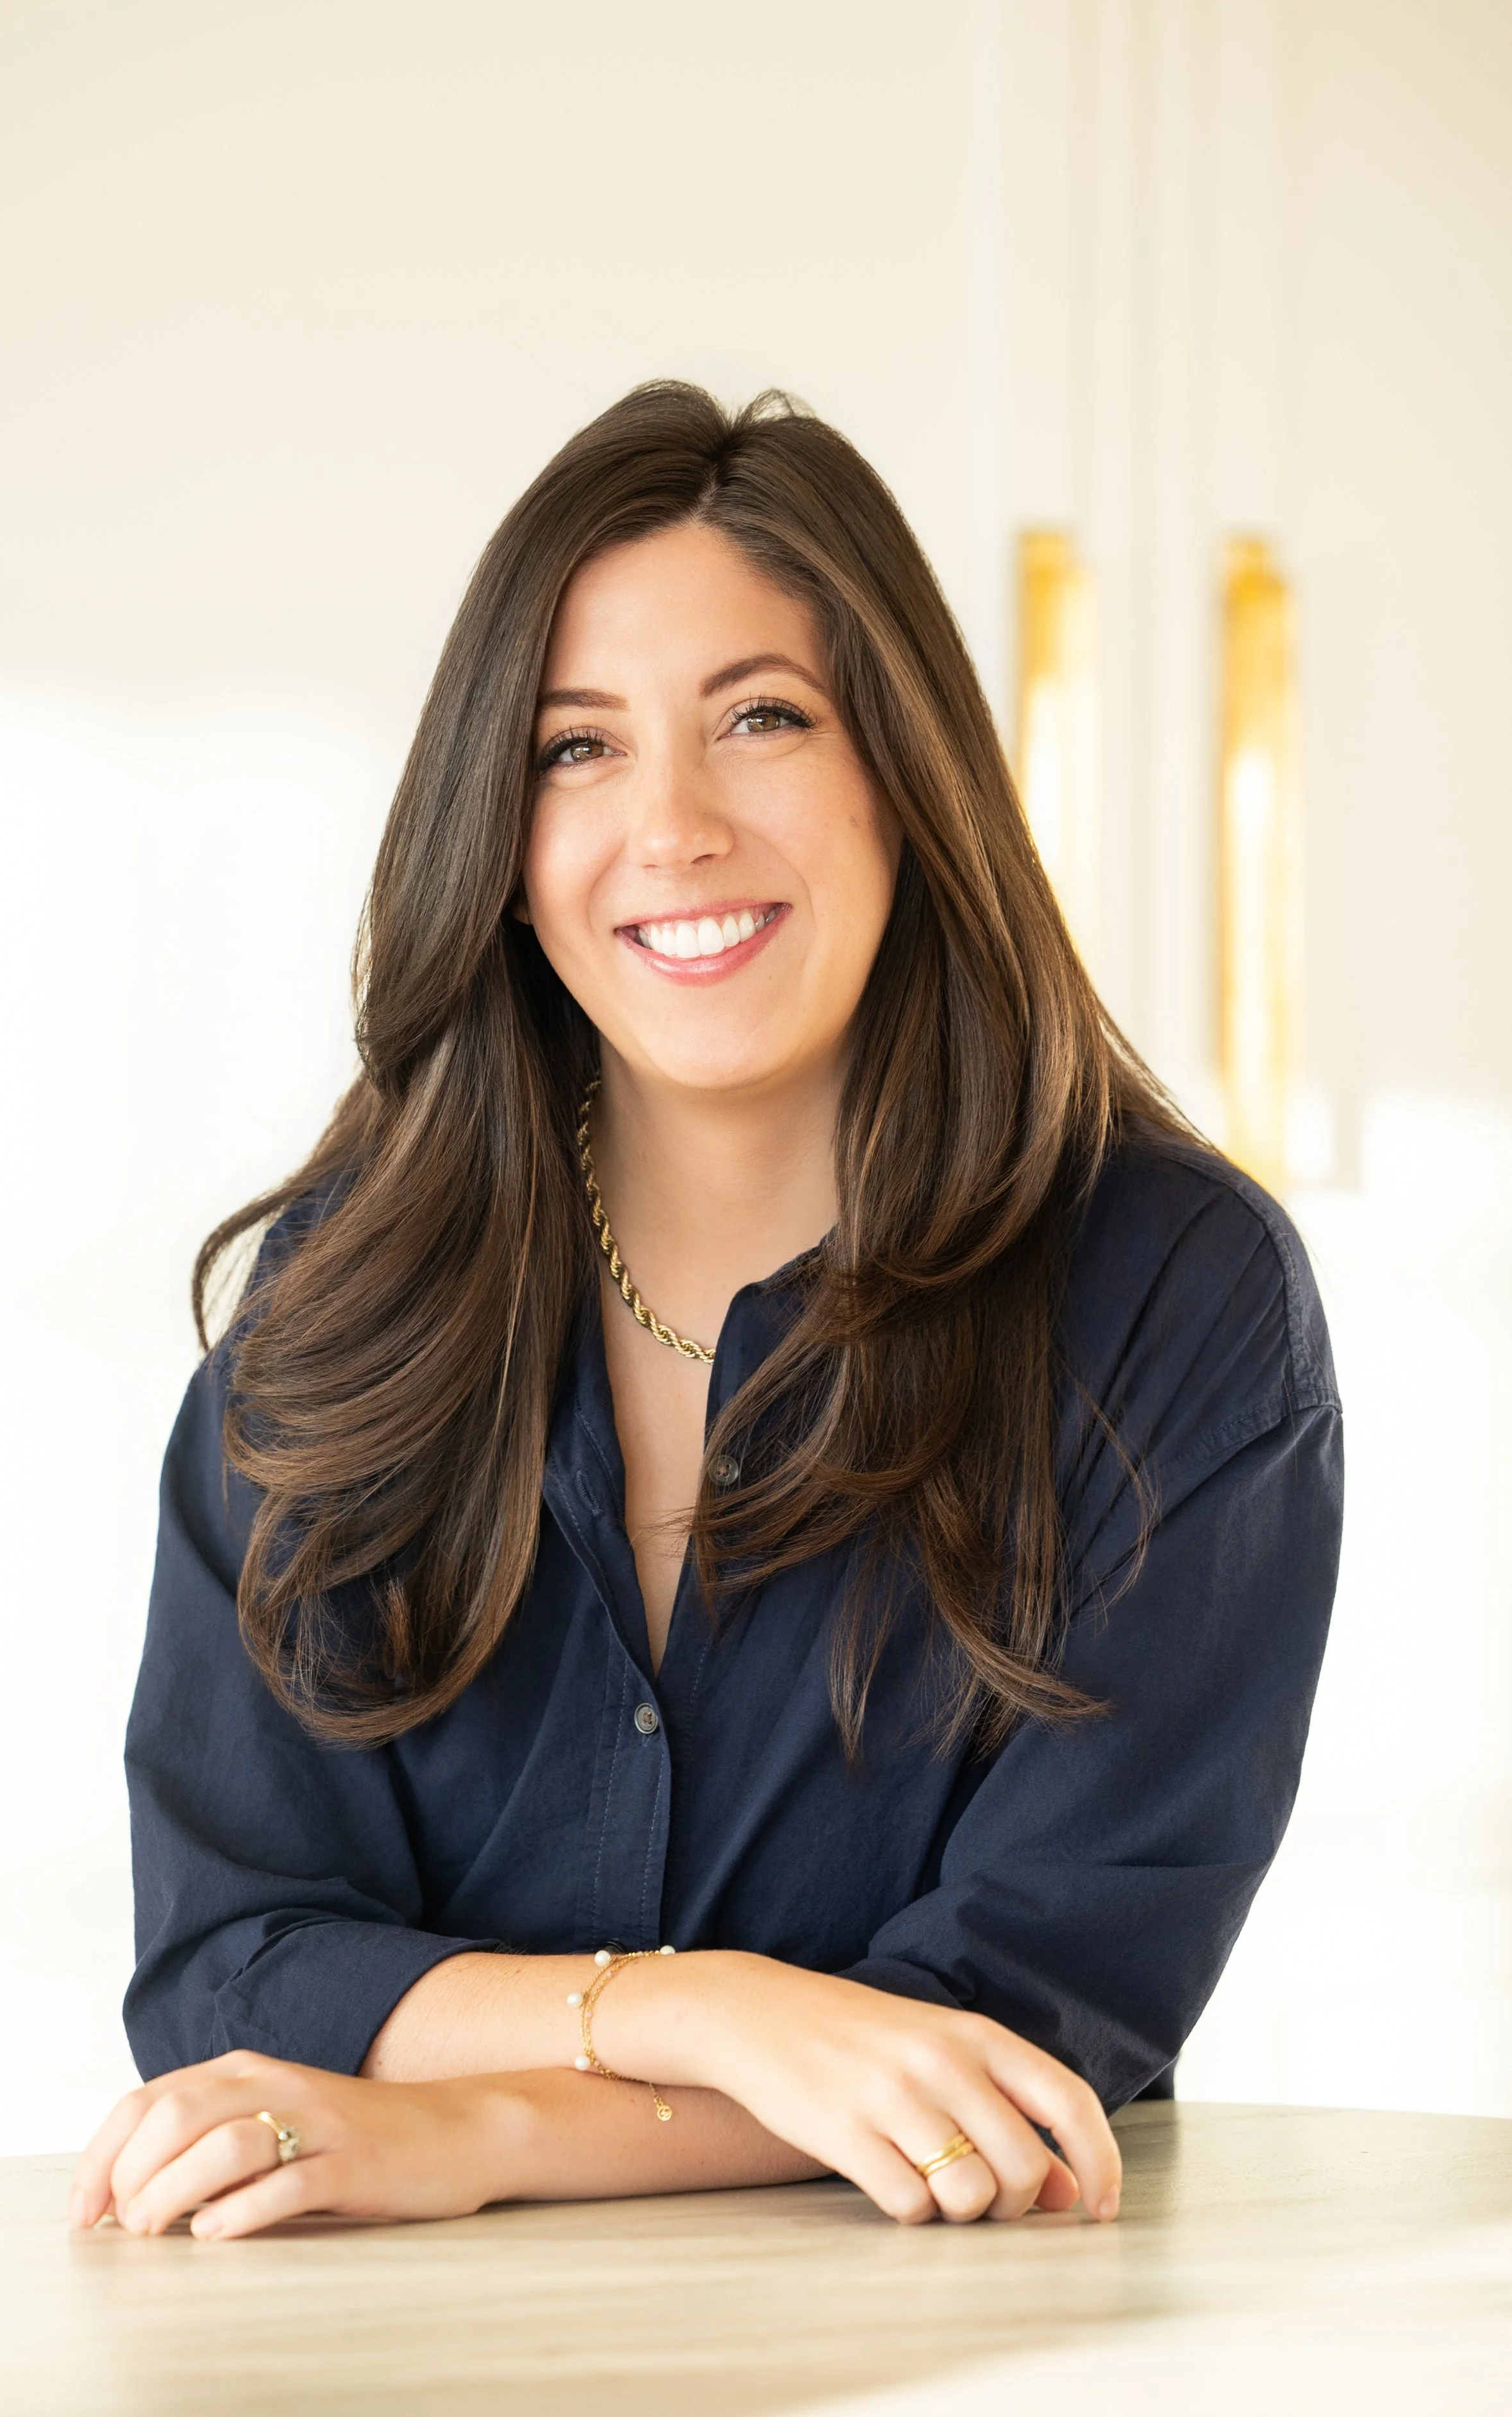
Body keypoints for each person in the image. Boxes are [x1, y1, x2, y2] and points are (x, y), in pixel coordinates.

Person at [70, 384, 1341, 2244]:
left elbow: (1013, 2028)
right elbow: (236, 1965)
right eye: (576, 748)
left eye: (759, 717)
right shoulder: (343, 1303)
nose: (667, 824)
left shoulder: (1169, 1292)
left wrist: (474, 2123)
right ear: (495, 845)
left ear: (900, 774)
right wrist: (696, 2005)